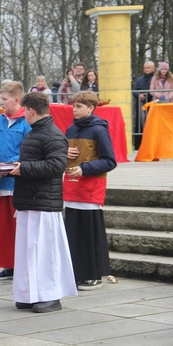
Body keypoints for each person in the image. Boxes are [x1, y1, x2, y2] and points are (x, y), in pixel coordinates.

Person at [10, 92, 77, 313]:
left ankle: (51, 295)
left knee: (46, 252)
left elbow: (57, 166)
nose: (23, 113)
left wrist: (24, 168)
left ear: (30, 110)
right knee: (28, 251)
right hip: (30, 198)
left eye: (24, 110)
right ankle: (30, 293)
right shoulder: (36, 133)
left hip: (45, 202)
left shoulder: (53, 134)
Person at [64, 91, 117, 291]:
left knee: (90, 234)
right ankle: (78, 273)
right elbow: (65, 156)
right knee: (74, 234)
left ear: (91, 108)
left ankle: (94, 274)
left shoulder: (98, 131)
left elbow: (110, 161)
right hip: (71, 188)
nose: (74, 109)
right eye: (74, 105)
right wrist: (64, 151)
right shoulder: (70, 130)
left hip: (90, 190)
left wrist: (84, 168)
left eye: (78, 106)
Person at [0, 81, 31, 281]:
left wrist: (17, 164)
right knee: (3, 228)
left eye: (4, 99)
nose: (0, 102)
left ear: (17, 100)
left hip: (19, 182)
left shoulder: (27, 122)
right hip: (2, 181)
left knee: (18, 227)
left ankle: (21, 265)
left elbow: (30, 149)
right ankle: (8, 265)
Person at [132, 61, 155, 149]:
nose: (147, 69)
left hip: (151, 104)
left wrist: (146, 95)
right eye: (145, 68)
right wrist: (139, 95)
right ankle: (138, 146)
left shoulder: (155, 79)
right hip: (140, 106)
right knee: (139, 126)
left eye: (149, 68)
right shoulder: (139, 79)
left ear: (153, 68)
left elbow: (155, 91)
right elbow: (134, 91)